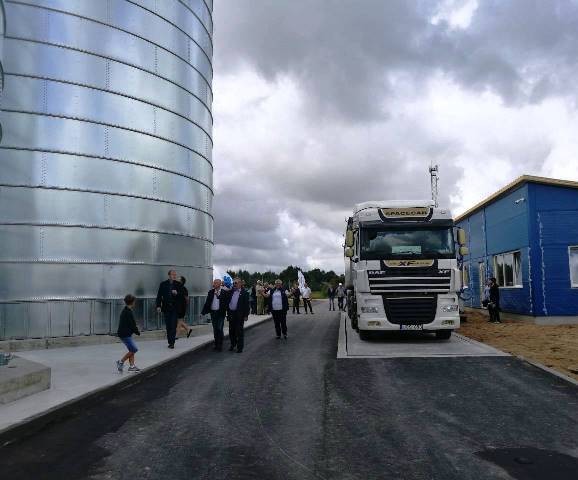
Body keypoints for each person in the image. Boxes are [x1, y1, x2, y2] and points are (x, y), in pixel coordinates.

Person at [156, 269, 183, 349]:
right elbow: (159, 296)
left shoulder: (178, 284)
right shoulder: (163, 284)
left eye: (175, 274)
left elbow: (182, 296)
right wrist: (158, 306)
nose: (174, 276)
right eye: (173, 274)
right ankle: (170, 341)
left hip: (175, 308)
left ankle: (172, 343)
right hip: (166, 307)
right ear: (169, 275)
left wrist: (177, 293)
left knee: (173, 325)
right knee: (168, 325)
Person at [201, 278, 229, 351]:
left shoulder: (224, 292)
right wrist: (202, 313)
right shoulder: (211, 292)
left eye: (216, 283)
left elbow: (226, 303)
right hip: (213, 313)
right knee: (215, 329)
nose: (214, 284)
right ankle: (216, 344)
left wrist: (218, 296)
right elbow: (207, 303)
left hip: (220, 313)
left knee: (219, 328)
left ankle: (220, 345)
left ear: (220, 284)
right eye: (214, 283)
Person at [116, 294, 141, 373]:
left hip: (125, 334)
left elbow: (130, 324)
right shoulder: (128, 312)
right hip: (125, 334)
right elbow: (132, 325)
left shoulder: (126, 310)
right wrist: (138, 332)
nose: (135, 303)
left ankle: (132, 366)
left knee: (131, 350)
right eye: (134, 302)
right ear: (132, 302)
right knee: (134, 349)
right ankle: (121, 362)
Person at [227, 277, 251, 353]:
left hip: (239, 315)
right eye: (233, 283)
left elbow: (247, 305)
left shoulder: (245, 293)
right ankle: (233, 344)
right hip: (231, 314)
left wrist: (246, 315)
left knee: (239, 331)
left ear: (240, 284)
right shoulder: (230, 292)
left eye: (236, 283)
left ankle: (240, 347)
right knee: (231, 331)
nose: (234, 284)